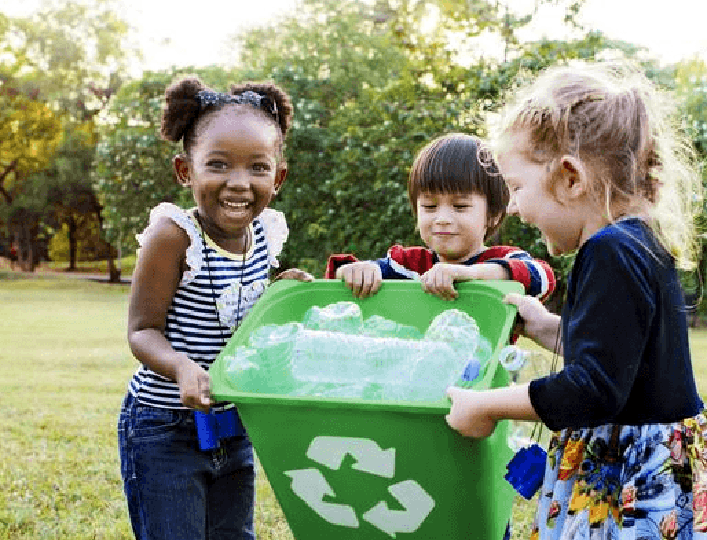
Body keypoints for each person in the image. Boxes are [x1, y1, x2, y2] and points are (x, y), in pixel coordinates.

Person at [445, 63, 707, 540]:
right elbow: (620, 357)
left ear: (569, 178)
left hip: (633, 477)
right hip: (663, 465)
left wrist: (485, 405)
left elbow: (594, 389)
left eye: (518, 188)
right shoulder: (640, 241)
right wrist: (545, 326)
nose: (516, 207)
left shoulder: (607, 250)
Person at [118, 76, 313, 540]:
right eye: (218, 165)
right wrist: (183, 369)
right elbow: (142, 331)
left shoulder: (268, 232)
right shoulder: (174, 236)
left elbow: (241, 312)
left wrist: (283, 293)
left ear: (278, 177)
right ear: (186, 171)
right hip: (166, 428)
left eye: (258, 168)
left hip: (233, 424)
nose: (239, 183)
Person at [325, 133, 556, 304]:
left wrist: (469, 274)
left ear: (493, 215)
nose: (442, 218)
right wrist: (353, 272)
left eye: (460, 206)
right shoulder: (409, 266)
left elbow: (543, 278)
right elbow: (342, 276)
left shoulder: (502, 259)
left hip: (486, 368)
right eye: (430, 206)